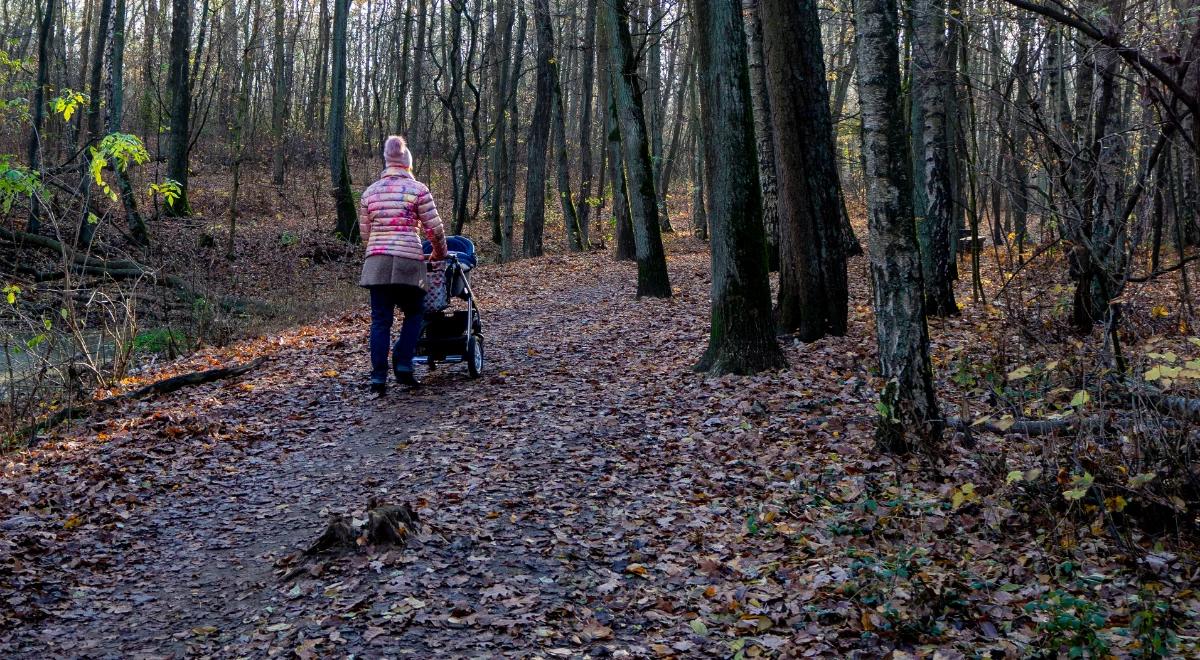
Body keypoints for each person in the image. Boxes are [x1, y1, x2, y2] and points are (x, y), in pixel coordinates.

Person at [358, 135, 448, 395]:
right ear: (408, 164)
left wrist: (378, 250)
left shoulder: (369, 192)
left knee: (380, 321)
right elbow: (435, 230)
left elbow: (366, 235)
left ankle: (378, 379)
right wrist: (439, 255)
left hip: (377, 262)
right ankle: (404, 364)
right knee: (415, 313)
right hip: (409, 260)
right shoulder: (418, 190)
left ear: (386, 162)